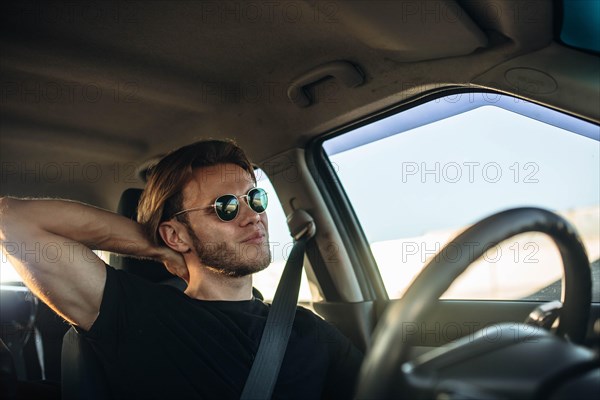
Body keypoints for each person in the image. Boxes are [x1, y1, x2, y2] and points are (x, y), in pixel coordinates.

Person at [0, 139, 363, 399]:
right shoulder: (135, 313)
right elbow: (11, 219)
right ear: (175, 233)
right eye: (225, 207)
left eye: (255, 198)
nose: (253, 216)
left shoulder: (306, 329)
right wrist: (157, 248)